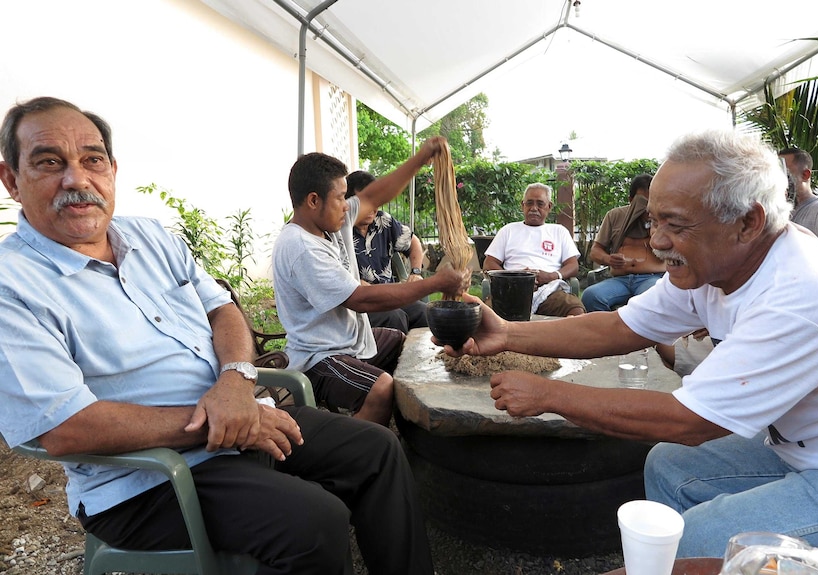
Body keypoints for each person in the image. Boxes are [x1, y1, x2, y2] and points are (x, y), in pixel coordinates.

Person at [0, 97, 435, 574]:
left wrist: (235, 380)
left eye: (92, 159)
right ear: (12, 181)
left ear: (112, 169)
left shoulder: (149, 236)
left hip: (237, 421)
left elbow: (222, 308)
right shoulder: (12, 285)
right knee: (314, 521)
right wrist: (219, 421)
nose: (77, 179)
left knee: (377, 450)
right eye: (49, 162)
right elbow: (65, 428)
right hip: (144, 480)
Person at [440, 129, 818, 558]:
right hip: (795, 448)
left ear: (748, 222)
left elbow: (690, 421)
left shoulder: (799, 294)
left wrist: (551, 395)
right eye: (653, 221)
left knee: (697, 537)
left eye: (675, 224)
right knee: (669, 463)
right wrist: (507, 334)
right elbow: (620, 327)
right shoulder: (715, 264)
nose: (657, 242)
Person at [272, 143, 469, 426]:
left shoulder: (332, 221)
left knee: (404, 345)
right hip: (319, 357)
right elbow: (361, 299)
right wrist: (435, 282)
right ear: (313, 200)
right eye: (341, 197)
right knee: (381, 388)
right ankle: (357, 448)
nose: (347, 204)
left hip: (352, 341)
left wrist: (422, 157)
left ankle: (395, 427)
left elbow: (375, 194)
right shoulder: (301, 247)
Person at [482, 182, 585, 317]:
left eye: (540, 204)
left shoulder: (559, 231)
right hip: (511, 290)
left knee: (576, 310)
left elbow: (573, 265)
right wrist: (515, 278)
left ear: (549, 206)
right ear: (522, 205)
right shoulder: (509, 230)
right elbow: (489, 264)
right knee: (484, 315)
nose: (534, 208)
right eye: (529, 203)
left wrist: (550, 276)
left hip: (549, 290)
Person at [346, 170, 428, 334]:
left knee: (425, 313)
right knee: (395, 317)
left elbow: (414, 242)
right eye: (366, 201)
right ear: (350, 203)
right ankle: (396, 360)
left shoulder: (384, 221)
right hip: (360, 303)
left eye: (376, 199)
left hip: (389, 296)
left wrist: (416, 272)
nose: (373, 207)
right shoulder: (341, 229)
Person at [581, 174, 666, 312]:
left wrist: (653, 224)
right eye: (642, 202)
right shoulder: (615, 216)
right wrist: (607, 259)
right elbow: (595, 251)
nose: (646, 206)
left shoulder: (663, 218)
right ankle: (607, 332)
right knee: (591, 296)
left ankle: (640, 333)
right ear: (631, 200)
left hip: (652, 278)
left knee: (648, 297)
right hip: (621, 279)